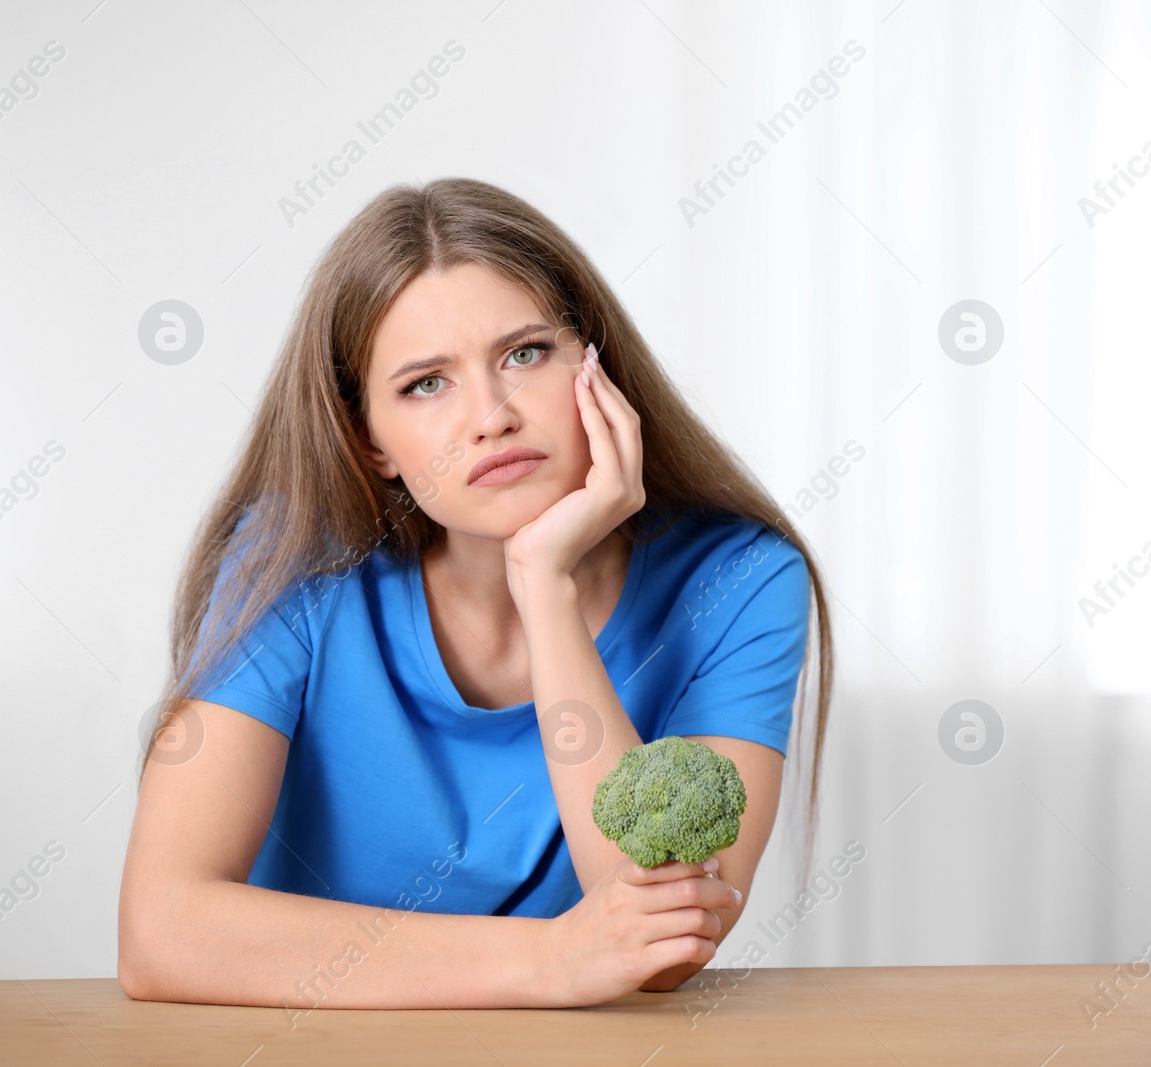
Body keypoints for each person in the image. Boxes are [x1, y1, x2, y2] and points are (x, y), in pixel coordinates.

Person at [116, 178, 833, 1012]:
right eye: (426, 383)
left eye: (524, 353)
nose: (491, 415)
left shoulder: (741, 580)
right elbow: (162, 931)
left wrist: (544, 586)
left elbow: (663, 948)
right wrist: (553, 958)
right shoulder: (289, 562)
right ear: (371, 442)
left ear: (594, 365)